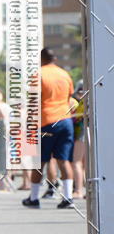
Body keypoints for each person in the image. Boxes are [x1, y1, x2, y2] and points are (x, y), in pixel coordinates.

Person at [23, 48, 76, 209]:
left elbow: (34, 102)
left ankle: (33, 198)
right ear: (55, 58)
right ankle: (68, 197)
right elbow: (69, 98)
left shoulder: (39, 74)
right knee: (63, 160)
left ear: (42, 59)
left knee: (39, 161)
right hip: (65, 120)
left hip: (46, 121)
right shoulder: (65, 75)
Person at [72, 81, 85, 199]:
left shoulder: (85, 102)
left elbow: (79, 117)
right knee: (85, 164)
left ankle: (78, 190)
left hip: (83, 132)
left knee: (76, 162)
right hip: (87, 133)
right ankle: (85, 190)